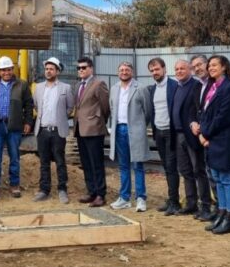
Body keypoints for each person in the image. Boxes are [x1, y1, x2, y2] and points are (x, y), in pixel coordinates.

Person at [193, 55, 230, 234]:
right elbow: (205, 114)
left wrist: (205, 133)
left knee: (227, 180)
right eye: (210, 66)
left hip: (225, 141)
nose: (211, 68)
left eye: (215, 65)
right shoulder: (213, 87)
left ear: (224, 67)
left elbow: (223, 117)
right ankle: (221, 213)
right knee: (218, 179)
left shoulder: (229, 89)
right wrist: (202, 133)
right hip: (213, 140)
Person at [0, 56, 33, 199]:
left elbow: (28, 104)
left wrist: (28, 122)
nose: (6, 72)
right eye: (3, 70)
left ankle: (14, 184)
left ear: (13, 69)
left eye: (8, 69)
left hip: (14, 126)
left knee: (14, 157)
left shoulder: (22, 85)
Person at [108, 61, 153, 212]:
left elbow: (148, 111)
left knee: (138, 165)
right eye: (121, 70)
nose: (124, 72)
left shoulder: (140, 88)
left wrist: (139, 126)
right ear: (118, 72)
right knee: (123, 165)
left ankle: (141, 198)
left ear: (131, 72)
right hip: (119, 130)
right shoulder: (114, 89)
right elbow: (112, 108)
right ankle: (124, 198)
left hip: (135, 131)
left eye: (127, 70)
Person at [171, 60, 213, 220]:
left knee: (198, 170)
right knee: (185, 171)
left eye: (182, 68)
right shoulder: (177, 87)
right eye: (176, 69)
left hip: (192, 135)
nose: (179, 71)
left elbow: (196, 110)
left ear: (190, 70)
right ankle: (191, 203)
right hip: (178, 135)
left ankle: (205, 205)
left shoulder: (196, 86)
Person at [32, 57, 75, 204]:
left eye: (51, 69)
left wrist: (61, 118)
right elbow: (36, 105)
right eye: (46, 69)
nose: (48, 71)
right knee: (44, 161)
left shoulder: (65, 88)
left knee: (60, 161)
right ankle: (44, 189)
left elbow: (70, 107)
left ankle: (62, 189)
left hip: (58, 131)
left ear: (57, 71)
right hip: (42, 130)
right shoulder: (38, 88)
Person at [74, 56, 110, 207]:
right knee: (86, 163)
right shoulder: (78, 85)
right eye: (78, 68)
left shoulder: (98, 84)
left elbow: (105, 107)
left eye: (84, 67)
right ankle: (91, 192)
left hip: (94, 130)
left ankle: (101, 195)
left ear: (91, 68)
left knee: (96, 163)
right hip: (80, 130)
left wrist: (98, 121)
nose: (81, 70)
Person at [147, 57, 180, 214]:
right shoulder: (152, 89)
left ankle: (175, 203)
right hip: (158, 132)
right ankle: (172, 199)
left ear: (164, 69)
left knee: (172, 167)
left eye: (157, 69)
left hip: (171, 133)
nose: (155, 72)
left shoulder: (174, 86)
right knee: (167, 167)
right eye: (152, 70)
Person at [189, 54, 217, 221]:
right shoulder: (197, 86)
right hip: (199, 135)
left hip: (212, 136)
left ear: (207, 64)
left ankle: (220, 210)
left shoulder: (216, 85)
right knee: (203, 172)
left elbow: (214, 114)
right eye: (194, 67)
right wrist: (193, 123)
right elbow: (193, 110)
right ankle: (207, 207)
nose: (197, 68)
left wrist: (205, 133)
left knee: (215, 175)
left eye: (200, 64)